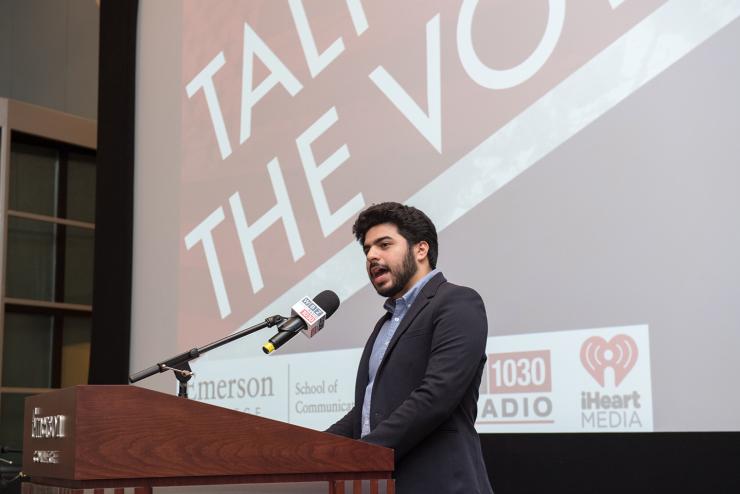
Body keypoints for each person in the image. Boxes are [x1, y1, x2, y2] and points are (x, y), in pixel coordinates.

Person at [327, 202, 493, 493]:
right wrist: (312, 450)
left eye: (384, 244)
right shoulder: (385, 323)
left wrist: (364, 454)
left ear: (420, 250)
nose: (372, 256)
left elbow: (436, 395)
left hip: (441, 484)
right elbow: (368, 409)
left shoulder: (457, 302)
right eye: (367, 249)